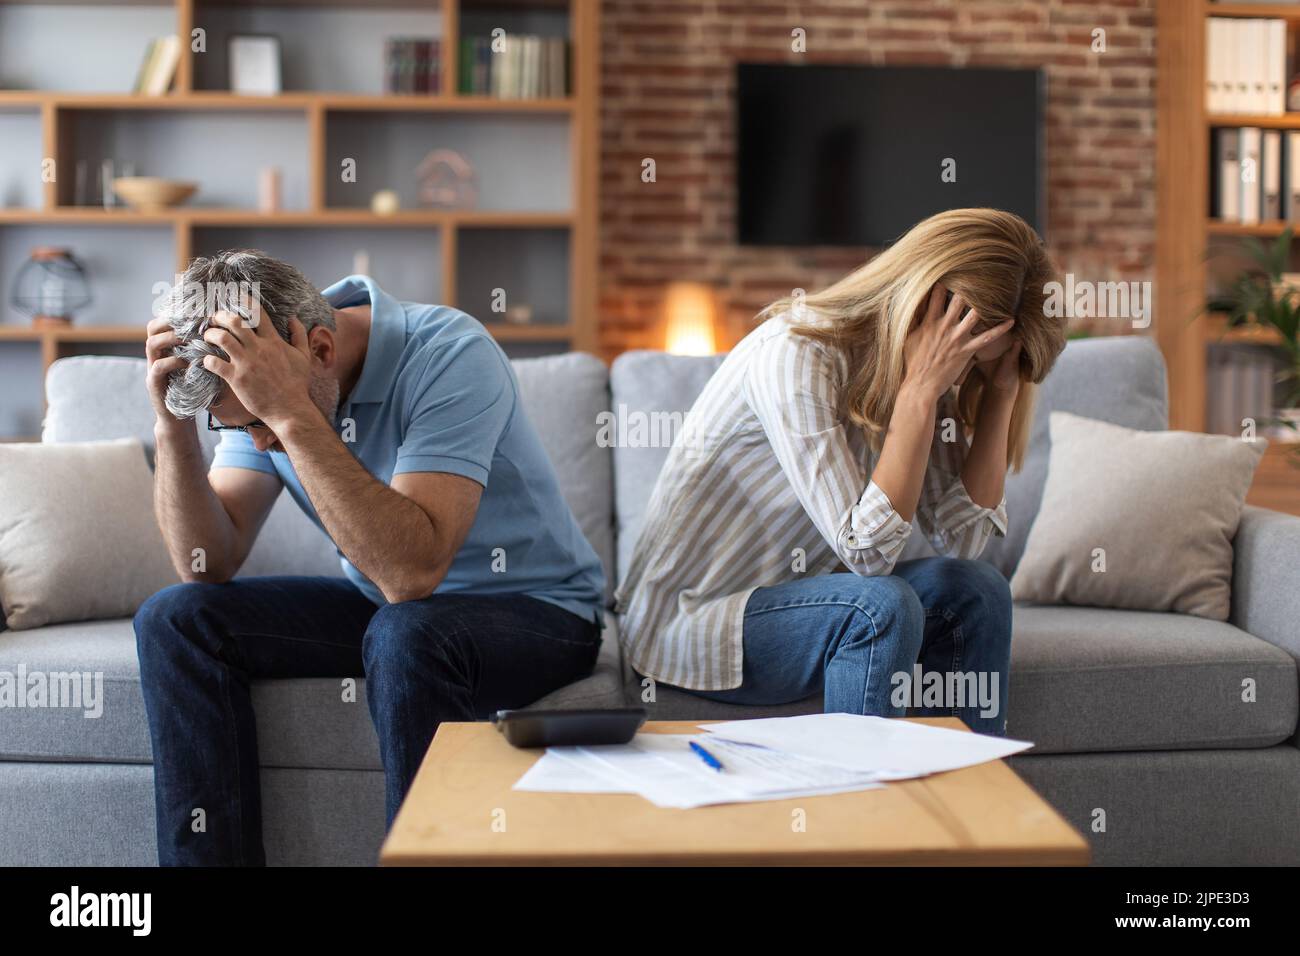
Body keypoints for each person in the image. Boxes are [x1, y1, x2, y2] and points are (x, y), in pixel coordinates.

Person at [135, 251, 605, 865]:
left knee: (407, 630)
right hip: (383, 604)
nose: (256, 441)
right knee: (177, 617)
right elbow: (205, 562)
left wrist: (291, 415)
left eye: (256, 423)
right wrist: (173, 427)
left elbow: (413, 573)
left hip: (536, 611)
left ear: (322, 351)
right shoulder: (259, 376)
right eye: (236, 427)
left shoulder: (449, 352)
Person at [616, 208, 1068, 735]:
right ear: (925, 302)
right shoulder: (795, 356)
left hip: (806, 602)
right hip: (695, 620)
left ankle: (959, 799)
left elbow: (961, 542)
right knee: (881, 606)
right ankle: (870, 813)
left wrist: (1001, 391)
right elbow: (867, 552)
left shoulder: (927, 374)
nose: (957, 376)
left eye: (975, 365)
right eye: (964, 359)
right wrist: (919, 393)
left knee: (978, 588)